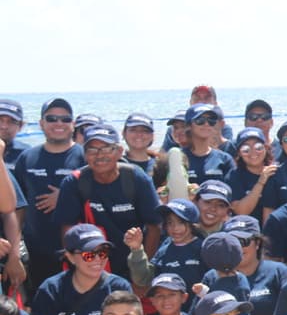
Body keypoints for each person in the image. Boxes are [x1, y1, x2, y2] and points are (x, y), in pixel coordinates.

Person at [54, 123, 162, 282]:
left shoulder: (136, 178)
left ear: (119, 151)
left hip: (132, 261)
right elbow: (68, 230)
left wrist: (142, 273)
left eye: (106, 149)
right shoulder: (74, 182)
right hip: (92, 263)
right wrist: (80, 270)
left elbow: (154, 227)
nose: (99, 155)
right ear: (85, 155)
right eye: (92, 150)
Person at [14, 98, 86, 293]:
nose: (58, 123)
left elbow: (99, 197)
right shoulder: (26, 158)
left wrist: (65, 197)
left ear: (73, 124)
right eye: (52, 118)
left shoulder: (84, 157)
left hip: (76, 251)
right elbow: (16, 205)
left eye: (65, 119)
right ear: (41, 123)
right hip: (35, 250)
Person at [125, 198, 201, 293]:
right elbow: (143, 279)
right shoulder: (164, 249)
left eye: (181, 222)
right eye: (170, 222)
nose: (175, 228)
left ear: (192, 224)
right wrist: (136, 249)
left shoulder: (202, 248)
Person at [226, 127, 277, 221]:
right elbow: (241, 211)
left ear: (266, 148)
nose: (253, 152)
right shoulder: (234, 176)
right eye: (246, 149)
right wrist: (260, 182)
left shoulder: (276, 172)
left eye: (258, 147)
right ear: (239, 153)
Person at [180, 104, 236, 184]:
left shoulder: (225, 159)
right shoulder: (179, 158)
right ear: (189, 125)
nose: (206, 124)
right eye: (200, 120)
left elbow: (234, 189)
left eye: (211, 121)